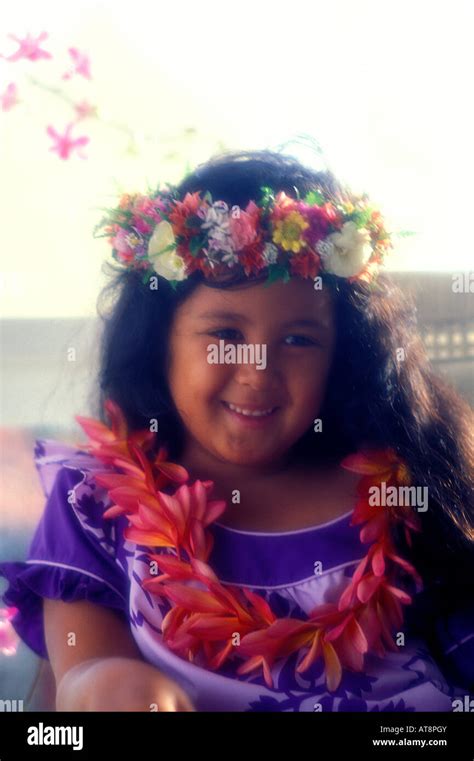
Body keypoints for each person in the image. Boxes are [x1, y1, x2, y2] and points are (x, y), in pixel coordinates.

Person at [1, 149, 473, 712]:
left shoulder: (408, 486)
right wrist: (107, 682)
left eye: (298, 339)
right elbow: (85, 669)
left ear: (342, 356)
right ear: (158, 343)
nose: (257, 370)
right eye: (224, 331)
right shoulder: (94, 505)